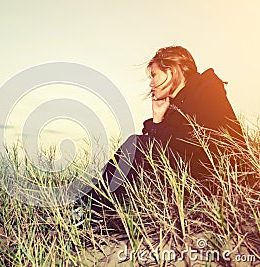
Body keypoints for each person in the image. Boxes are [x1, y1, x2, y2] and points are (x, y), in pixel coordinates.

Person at [88, 45, 250, 214]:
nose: (151, 83)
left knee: (136, 145)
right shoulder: (177, 104)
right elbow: (164, 147)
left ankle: (92, 207)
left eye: (154, 75)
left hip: (221, 180)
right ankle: (100, 207)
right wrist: (157, 119)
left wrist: (157, 127)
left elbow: (204, 143)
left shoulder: (207, 90)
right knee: (139, 147)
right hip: (195, 176)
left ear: (171, 72)